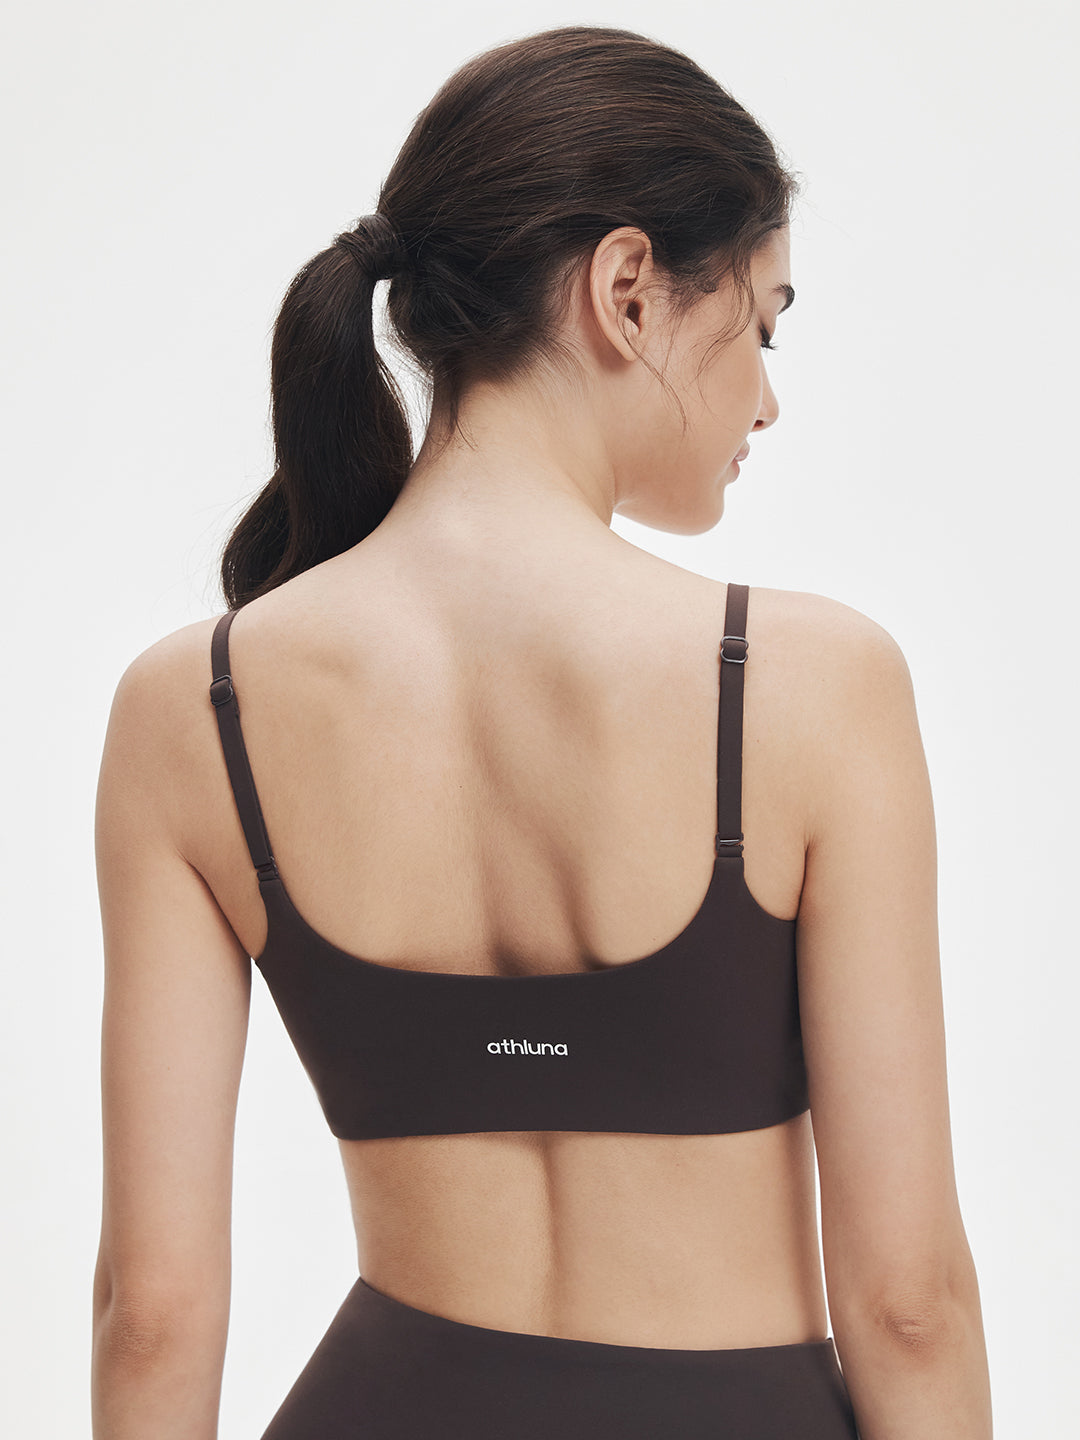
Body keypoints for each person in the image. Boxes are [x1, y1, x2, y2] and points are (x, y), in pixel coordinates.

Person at [90, 23, 992, 1440]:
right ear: (626, 291)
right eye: (763, 323)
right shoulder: (813, 685)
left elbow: (150, 1313)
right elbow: (909, 1303)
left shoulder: (189, 707)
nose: (767, 398)